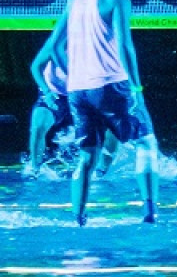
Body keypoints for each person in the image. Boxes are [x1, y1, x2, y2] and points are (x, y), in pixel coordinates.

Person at [32, 0, 159, 225]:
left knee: (86, 155)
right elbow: (126, 47)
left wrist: (74, 70)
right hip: (111, 85)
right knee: (146, 143)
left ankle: (78, 217)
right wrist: (137, 88)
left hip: (78, 90)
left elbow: (54, 46)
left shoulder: (74, 0)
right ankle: (150, 213)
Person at [24, 46, 117, 180]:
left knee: (112, 128)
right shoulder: (58, 41)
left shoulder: (97, 45)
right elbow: (36, 67)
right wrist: (47, 91)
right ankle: (34, 168)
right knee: (38, 125)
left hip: (84, 94)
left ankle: (101, 170)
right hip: (55, 94)